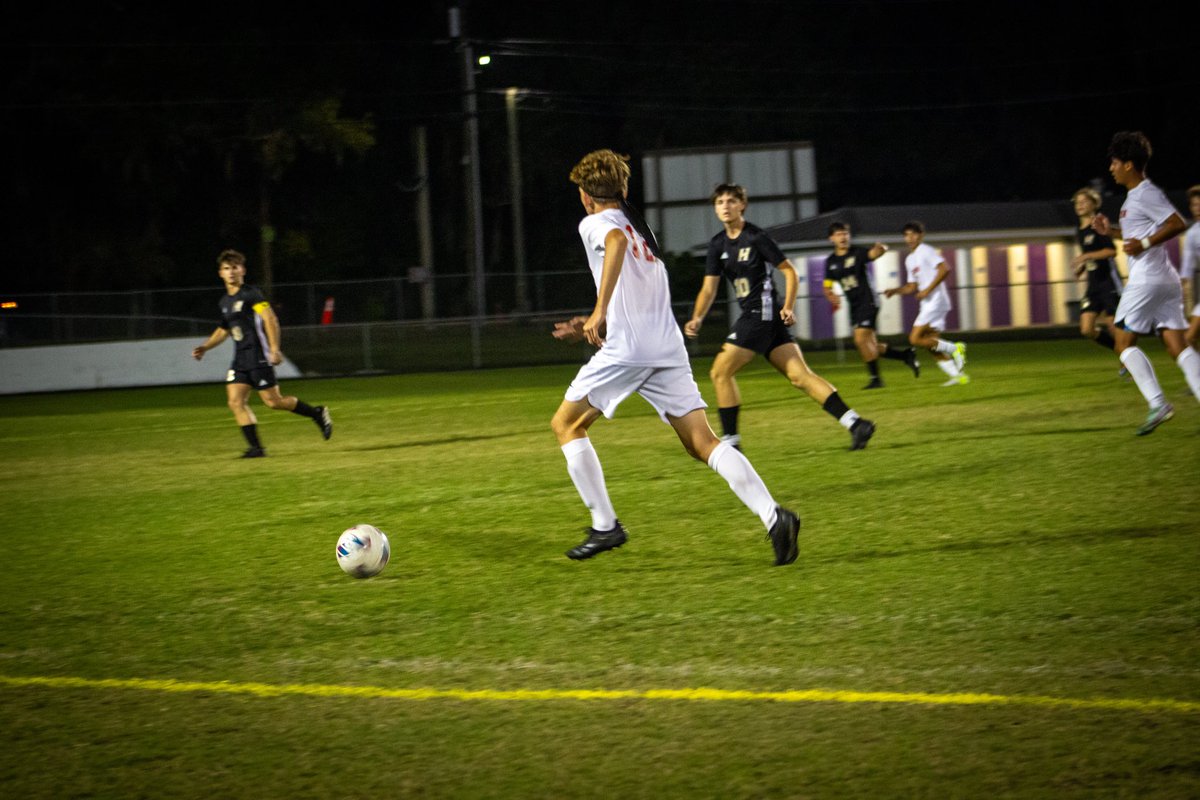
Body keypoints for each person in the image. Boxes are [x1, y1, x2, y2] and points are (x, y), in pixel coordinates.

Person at [550, 151, 800, 566]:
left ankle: (605, 525)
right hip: (664, 346)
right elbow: (637, 291)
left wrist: (598, 312)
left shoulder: (597, 223)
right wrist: (601, 320)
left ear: (584, 196)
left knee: (566, 424)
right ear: (624, 190)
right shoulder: (639, 228)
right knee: (702, 442)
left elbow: (612, 246)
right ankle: (775, 517)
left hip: (630, 349)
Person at [684, 184, 875, 451]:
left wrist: (788, 306)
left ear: (742, 205)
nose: (725, 206)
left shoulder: (756, 237)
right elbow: (709, 287)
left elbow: (790, 271)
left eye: (730, 201)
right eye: (720, 202)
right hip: (762, 317)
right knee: (800, 377)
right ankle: (857, 424)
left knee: (719, 372)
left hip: (759, 315)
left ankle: (731, 444)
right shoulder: (717, 244)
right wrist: (697, 317)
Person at [1091, 132, 1200, 434]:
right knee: (1178, 345)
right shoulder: (1134, 197)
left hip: (1147, 282)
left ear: (1128, 164)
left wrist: (1146, 242)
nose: (1111, 168)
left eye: (1114, 162)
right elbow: (1133, 240)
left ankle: (1158, 402)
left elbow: (1177, 223)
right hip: (1164, 280)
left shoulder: (1145, 192)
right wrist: (1110, 230)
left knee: (1123, 344)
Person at [192, 249, 333, 457]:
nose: (231, 272)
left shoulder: (251, 294)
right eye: (226, 268)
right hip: (240, 360)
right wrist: (205, 346)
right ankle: (256, 448)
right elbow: (224, 331)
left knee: (273, 402)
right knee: (235, 401)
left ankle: (317, 413)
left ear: (243, 270)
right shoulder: (225, 302)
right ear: (220, 273)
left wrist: (275, 349)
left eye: (235, 268)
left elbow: (270, 319)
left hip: (258, 355)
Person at [822, 221, 920, 389]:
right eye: (839, 234)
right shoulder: (831, 261)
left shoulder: (858, 253)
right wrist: (830, 295)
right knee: (870, 346)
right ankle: (905, 355)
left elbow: (874, 253)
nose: (843, 237)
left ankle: (876, 379)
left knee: (860, 340)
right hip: (854, 305)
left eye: (845, 233)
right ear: (831, 238)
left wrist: (881, 249)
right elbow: (827, 286)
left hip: (868, 301)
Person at [884, 222, 968, 386]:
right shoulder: (909, 259)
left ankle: (955, 348)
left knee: (914, 338)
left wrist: (928, 290)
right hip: (928, 303)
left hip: (936, 301)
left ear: (921, 235)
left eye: (914, 234)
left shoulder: (926, 251)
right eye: (907, 235)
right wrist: (895, 291)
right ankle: (958, 377)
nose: (910, 238)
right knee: (932, 344)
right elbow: (912, 287)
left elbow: (945, 269)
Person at [1069, 187, 1123, 354]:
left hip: (1108, 281)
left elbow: (1111, 251)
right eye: (1077, 203)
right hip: (1093, 285)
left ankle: (1128, 358)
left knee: (1113, 327)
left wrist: (1086, 256)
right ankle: (1120, 351)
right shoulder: (1080, 229)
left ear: (1094, 205)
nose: (1080, 205)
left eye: (1084, 202)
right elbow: (1090, 253)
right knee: (1086, 329)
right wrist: (1082, 267)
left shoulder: (1098, 224)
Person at [1181, 185, 1200, 347]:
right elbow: (1187, 264)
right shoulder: (1193, 233)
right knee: (1190, 338)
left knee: (1189, 337)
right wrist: (1183, 287)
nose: (1198, 208)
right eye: (1195, 205)